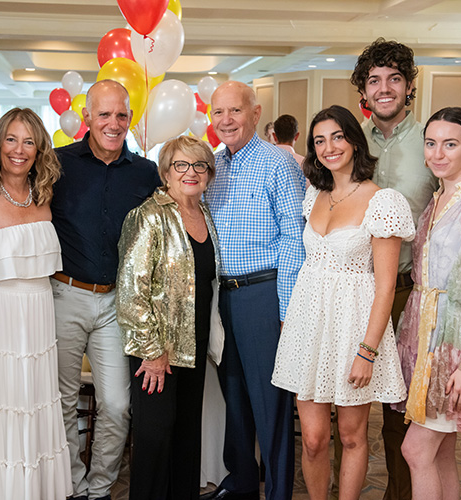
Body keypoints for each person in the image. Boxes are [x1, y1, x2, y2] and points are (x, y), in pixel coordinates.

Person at [272, 105, 415, 500]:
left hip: (354, 327)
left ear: (354, 140)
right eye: (319, 140)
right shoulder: (314, 194)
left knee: (352, 437)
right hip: (308, 326)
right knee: (314, 440)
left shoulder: (382, 201)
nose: (329, 147)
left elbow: (386, 286)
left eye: (337, 136)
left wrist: (367, 352)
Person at [51, 79, 161, 500]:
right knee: (61, 402)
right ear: (86, 119)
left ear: (130, 119)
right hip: (65, 295)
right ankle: (73, 486)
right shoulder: (57, 164)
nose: (113, 123)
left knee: (117, 405)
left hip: (117, 303)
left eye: (121, 115)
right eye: (104, 114)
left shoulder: (146, 173)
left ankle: (99, 490)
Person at [202, 81, 306, 500]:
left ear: (256, 113)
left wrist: (285, 310)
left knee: (271, 405)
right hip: (222, 296)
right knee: (235, 400)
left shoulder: (277, 163)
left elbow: (293, 238)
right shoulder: (212, 165)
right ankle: (242, 483)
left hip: (263, 295)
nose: (226, 120)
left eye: (235, 111)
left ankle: (278, 491)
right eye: (218, 113)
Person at [0, 108, 72, 500]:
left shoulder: (45, 198)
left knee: (34, 406)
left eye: (28, 141)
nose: (19, 149)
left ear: (39, 149)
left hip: (38, 321)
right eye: (11, 139)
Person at [348, 38, 438, 500]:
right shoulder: (349, 140)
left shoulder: (431, 139)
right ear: (364, 88)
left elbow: (460, 193)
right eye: (375, 80)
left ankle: (399, 495)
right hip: (356, 292)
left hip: (407, 291)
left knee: (403, 412)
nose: (384, 88)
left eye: (394, 79)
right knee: (352, 404)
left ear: (408, 86)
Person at [395, 107, 461, 499]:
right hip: (427, 340)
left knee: (415, 449)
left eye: (450, 144)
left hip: (457, 345)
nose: (438, 154)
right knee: (440, 455)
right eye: (431, 143)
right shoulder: (440, 196)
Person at [116, 136, 223, 500]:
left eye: (199, 165)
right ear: (166, 171)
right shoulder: (149, 216)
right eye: (181, 165)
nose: (190, 173)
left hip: (193, 346)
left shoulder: (205, 213)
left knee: (186, 437)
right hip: (157, 351)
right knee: (154, 440)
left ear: (208, 173)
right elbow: (132, 289)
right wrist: (151, 350)